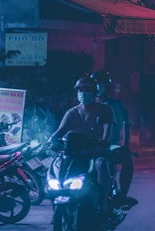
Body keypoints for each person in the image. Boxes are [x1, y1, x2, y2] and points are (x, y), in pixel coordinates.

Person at [49, 76, 116, 208]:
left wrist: (102, 141)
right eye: (80, 90)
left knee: (101, 165)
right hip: (75, 153)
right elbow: (61, 130)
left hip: (95, 151)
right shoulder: (72, 112)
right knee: (55, 167)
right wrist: (51, 140)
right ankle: (56, 206)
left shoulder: (104, 109)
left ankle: (103, 202)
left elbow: (107, 128)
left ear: (94, 92)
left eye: (86, 89)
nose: (83, 93)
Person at [91, 70, 137, 208]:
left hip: (110, 145)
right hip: (88, 146)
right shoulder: (84, 105)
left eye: (101, 84)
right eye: (95, 84)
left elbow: (125, 125)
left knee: (126, 160)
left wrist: (126, 145)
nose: (98, 87)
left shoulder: (115, 105)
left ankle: (122, 195)